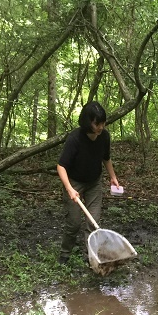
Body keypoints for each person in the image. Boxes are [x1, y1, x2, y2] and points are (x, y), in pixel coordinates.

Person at [56, 101, 120, 265]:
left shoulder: (104, 136)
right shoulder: (75, 138)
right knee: (74, 223)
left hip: (94, 182)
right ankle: (65, 254)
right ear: (87, 122)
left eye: (103, 123)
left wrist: (112, 176)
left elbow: (106, 157)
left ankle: (91, 257)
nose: (101, 127)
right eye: (97, 123)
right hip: (74, 182)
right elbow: (61, 166)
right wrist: (69, 188)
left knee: (93, 221)